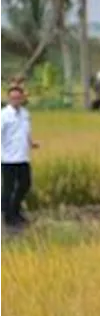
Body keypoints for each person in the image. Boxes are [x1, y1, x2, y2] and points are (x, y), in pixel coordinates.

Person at [0, 85, 37, 229]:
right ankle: (9, 217)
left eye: (18, 98)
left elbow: (25, 132)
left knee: (25, 184)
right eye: (12, 98)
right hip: (8, 158)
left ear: (22, 98)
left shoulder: (25, 114)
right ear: (9, 99)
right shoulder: (3, 115)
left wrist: (31, 143)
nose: (15, 100)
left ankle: (14, 209)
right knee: (8, 188)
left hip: (23, 157)